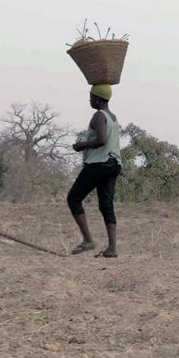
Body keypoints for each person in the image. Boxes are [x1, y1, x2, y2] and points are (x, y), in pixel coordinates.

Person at [69, 84, 122, 258]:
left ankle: (88, 240)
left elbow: (101, 140)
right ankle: (112, 248)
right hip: (113, 165)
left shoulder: (99, 116)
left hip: (99, 164)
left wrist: (81, 145)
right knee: (106, 205)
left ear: (98, 99)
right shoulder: (112, 117)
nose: (90, 100)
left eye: (91, 97)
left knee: (74, 198)